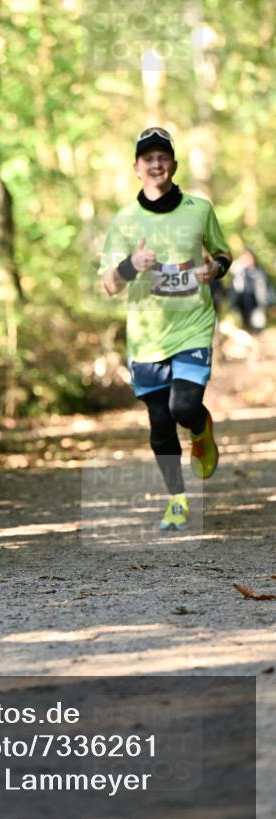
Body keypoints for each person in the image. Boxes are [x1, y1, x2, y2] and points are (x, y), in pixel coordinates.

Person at [101, 127, 232, 531]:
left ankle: (201, 428)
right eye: (148, 159)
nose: (156, 165)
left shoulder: (199, 208)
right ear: (136, 168)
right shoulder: (125, 220)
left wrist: (216, 269)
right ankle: (177, 499)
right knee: (159, 421)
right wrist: (130, 265)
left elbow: (223, 253)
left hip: (192, 324)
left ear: (173, 164)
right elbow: (108, 284)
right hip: (146, 334)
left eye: (163, 158)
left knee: (184, 407)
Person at [228, 247, 275, 333]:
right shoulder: (239, 271)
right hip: (242, 304)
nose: (248, 260)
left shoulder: (260, 271)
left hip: (257, 303)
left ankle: (257, 338)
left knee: (257, 326)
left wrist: (272, 301)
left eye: (250, 257)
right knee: (245, 327)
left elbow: (268, 286)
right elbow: (232, 285)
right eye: (246, 258)